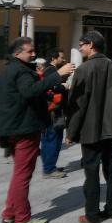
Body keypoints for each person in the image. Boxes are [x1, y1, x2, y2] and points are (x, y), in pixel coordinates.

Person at [0, 37, 74, 223]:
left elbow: (25, 94)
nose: (33, 54)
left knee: (18, 174)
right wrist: (58, 75)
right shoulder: (20, 71)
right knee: (23, 175)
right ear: (17, 53)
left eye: (33, 50)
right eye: (29, 51)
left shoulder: (9, 70)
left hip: (12, 128)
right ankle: (22, 219)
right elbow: (30, 91)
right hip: (24, 128)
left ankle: (9, 215)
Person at [66, 30, 112, 223]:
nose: (80, 47)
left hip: (90, 129)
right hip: (109, 127)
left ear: (91, 45)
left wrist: (71, 132)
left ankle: (92, 213)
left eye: (82, 44)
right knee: (111, 168)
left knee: (91, 172)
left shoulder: (84, 69)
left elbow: (77, 104)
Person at [40, 48, 69, 179]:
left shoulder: (46, 69)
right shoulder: (52, 71)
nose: (63, 60)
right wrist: (65, 86)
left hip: (47, 111)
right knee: (53, 139)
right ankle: (49, 169)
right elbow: (54, 88)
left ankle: (49, 165)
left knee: (48, 139)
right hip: (54, 111)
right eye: (61, 57)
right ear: (54, 58)